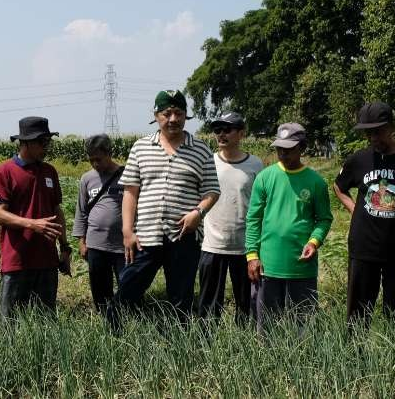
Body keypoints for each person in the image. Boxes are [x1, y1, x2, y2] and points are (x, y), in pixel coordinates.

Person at [106, 90, 220, 329]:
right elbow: (130, 192)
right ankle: (113, 337)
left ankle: (177, 347)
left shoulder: (201, 149)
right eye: (167, 113)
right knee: (128, 289)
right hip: (145, 237)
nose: (173, 119)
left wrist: (197, 214)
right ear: (156, 115)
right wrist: (127, 231)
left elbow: (212, 191)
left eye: (179, 113)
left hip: (184, 236)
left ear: (186, 116)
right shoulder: (140, 147)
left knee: (181, 298)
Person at [333, 102, 395, 331]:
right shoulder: (359, 160)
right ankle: (356, 361)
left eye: (377, 131)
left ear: (392, 126)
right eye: (368, 132)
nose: (373, 137)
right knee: (357, 315)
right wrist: (355, 208)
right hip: (364, 248)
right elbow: (338, 186)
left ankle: (394, 361)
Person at [246, 123, 332, 331]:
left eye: (289, 149)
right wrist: (252, 256)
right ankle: (268, 363)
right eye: (279, 149)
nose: (283, 153)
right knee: (266, 327)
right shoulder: (265, 178)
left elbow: (324, 219)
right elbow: (253, 219)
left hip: (302, 267)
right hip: (268, 266)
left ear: (302, 148)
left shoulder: (316, 182)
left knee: (303, 327)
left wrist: (314, 241)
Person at [0, 116, 72, 319]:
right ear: (25, 143)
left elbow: (56, 210)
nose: (47, 147)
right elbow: (0, 214)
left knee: (46, 323)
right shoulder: (4, 172)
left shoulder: (49, 172)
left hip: (47, 261)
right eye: (42, 142)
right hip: (17, 262)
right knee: (10, 322)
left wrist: (64, 247)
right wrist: (33, 224)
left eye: (48, 141)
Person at [198, 112, 263, 325]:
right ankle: (205, 350)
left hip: (244, 247)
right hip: (211, 245)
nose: (221, 134)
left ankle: (244, 348)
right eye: (217, 130)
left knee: (246, 305)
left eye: (227, 129)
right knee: (208, 306)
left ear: (241, 133)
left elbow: (261, 206)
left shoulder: (255, 165)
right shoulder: (207, 162)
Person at [73, 134, 126, 312]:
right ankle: (107, 321)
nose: (95, 164)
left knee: (128, 287)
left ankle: (127, 320)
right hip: (96, 244)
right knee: (100, 289)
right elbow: (81, 211)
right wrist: (82, 241)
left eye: (99, 159)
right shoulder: (87, 179)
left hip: (122, 245)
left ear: (109, 153)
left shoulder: (127, 175)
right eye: (91, 160)